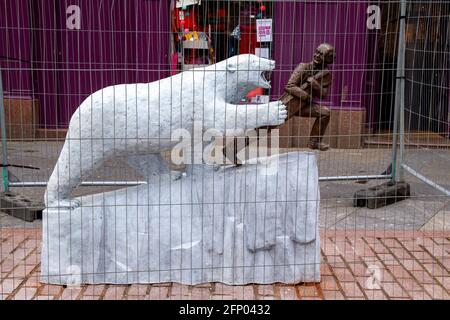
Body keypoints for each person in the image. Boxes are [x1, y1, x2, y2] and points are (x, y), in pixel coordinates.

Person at [279, 43, 336, 151]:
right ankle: (240, 144)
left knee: (325, 113)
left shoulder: (326, 75)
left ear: (328, 59)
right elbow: (289, 86)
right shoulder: (303, 67)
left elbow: (323, 95)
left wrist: (316, 85)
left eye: (321, 54)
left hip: (305, 106)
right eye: (316, 52)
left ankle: (314, 142)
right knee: (266, 127)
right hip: (291, 104)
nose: (317, 56)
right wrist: (306, 96)